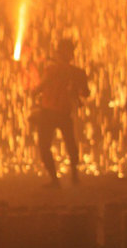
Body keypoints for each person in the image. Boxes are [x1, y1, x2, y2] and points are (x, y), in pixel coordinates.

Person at [30, 38, 90, 187]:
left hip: (53, 112)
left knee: (49, 145)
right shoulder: (73, 72)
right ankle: (71, 177)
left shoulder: (55, 70)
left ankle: (58, 179)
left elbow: (38, 88)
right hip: (59, 112)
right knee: (68, 144)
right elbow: (86, 93)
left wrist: (35, 92)